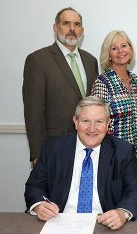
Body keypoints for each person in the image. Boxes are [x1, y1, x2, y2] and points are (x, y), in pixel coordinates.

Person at [25, 96, 137, 230]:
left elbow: (135, 190)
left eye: (99, 121)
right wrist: (39, 205)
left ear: (107, 123)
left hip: (104, 223)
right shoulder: (53, 148)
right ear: (75, 122)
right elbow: (34, 186)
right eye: (86, 121)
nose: (92, 129)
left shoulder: (123, 151)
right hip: (59, 221)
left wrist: (122, 213)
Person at [22, 7, 99, 164]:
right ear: (55, 28)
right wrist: (38, 154)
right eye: (66, 23)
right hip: (54, 147)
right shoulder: (38, 60)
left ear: (82, 30)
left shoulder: (91, 61)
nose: (72, 29)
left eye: (77, 24)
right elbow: (33, 112)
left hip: (89, 145)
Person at [91, 30, 137, 168]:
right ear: (108, 55)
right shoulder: (103, 82)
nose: (120, 51)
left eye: (124, 46)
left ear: (130, 49)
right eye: (114, 48)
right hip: (113, 158)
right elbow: (97, 123)